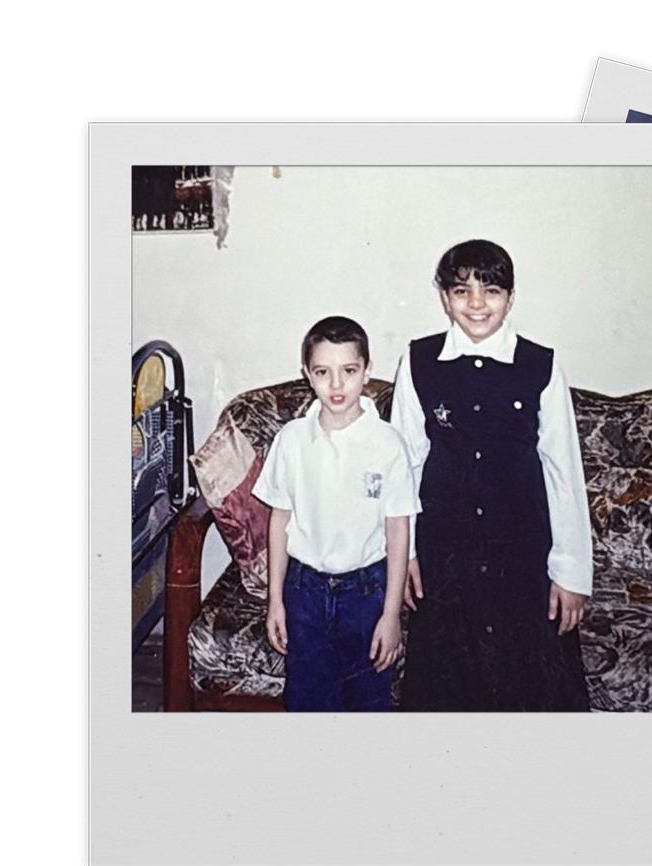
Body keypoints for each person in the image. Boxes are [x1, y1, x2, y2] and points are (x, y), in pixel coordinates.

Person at [390, 239, 594, 711]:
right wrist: (406, 555)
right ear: (444, 298)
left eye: (492, 291)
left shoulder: (541, 365)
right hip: (445, 558)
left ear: (511, 296)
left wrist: (571, 573)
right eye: (462, 292)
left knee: (530, 683)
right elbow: (404, 466)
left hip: (521, 556)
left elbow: (563, 471)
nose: (477, 304)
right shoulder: (419, 363)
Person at [252, 316, 418, 712]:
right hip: (304, 592)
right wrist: (276, 601)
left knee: (367, 701)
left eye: (349, 371)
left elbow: (398, 529)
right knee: (309, 701)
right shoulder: (291, 440)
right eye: (323, 372)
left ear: (367, 371)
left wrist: (391, 614)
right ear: (307, 374)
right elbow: (280, 521)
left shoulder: (388, 444)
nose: (337, 385)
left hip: (366, 594)